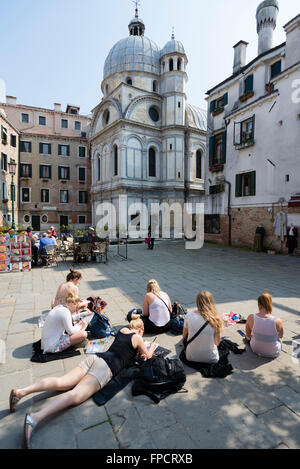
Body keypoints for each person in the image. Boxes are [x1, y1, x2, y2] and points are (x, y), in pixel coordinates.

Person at [9, 313, 157, 449]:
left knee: (62, 382)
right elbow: (148, 355)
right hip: (105, 368)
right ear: (141, 329)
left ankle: (21, 392)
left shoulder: (123, 330)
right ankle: (34, 418)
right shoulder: (137, 338)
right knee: (75, 395)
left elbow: (124, 349)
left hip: (96, 357)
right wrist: (152, 347)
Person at [182, 291, 223, 364]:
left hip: (191, 357)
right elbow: (217, 343)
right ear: (211, 302)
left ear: (197, 302)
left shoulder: (189, 315)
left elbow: (184, 336)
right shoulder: (216, 318)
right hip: (211, 358)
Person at [245, 291, 283, 358]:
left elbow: (248, 334)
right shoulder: (278, 321)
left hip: (255, 349)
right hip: (273, 352)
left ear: (258, 305)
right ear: (270, 304)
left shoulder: (251, 317)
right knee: (278, 340)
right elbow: (280, 336)